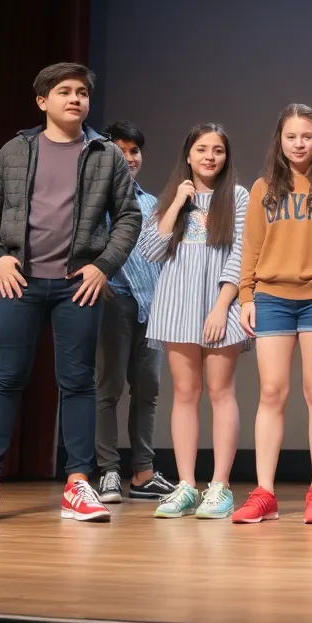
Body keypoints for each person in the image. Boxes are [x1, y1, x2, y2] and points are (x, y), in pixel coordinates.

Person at [0, 62, 140, 524]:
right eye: (64, 91)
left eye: (82, 92)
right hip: (18, 280)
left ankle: (78, 485)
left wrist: (103, 266)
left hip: (75, 286)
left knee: (78, 381)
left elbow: (128, 217)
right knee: (6, 378)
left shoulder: (106, 154)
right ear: (43, 101)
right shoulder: (16, 151)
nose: (75, 98)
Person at [231, 104, 312, 524]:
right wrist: (246, 296)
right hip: (272, 296)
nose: (299, 144)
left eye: (307, 136)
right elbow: (252, 247)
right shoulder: (264, 187)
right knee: (272, 393)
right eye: (291, 136)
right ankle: (265, 492)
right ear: (280, 140)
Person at [139, 123, 251, 520]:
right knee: (185, 394)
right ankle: (186, 485)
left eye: (217, 150)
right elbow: (150, 251)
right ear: (188, 154)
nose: (209, 156)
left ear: (226, 157)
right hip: (177, 304)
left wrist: (222, 306)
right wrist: (176, 204)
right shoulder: (172, 198)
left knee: (221, 393)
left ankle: (219, 486)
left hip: (221, 304)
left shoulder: (238, 197)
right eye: (202, 149)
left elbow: (242, 255)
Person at [95, 121, 175, 504]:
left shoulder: (151, 203)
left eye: (134, 151)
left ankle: (143, 473)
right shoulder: (92, 199)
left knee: (148, 392)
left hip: (152, 305)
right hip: (113, 301)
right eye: (121, 150)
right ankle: (109, 471)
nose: (129, 158)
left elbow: (162, 253)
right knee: (108, 388)